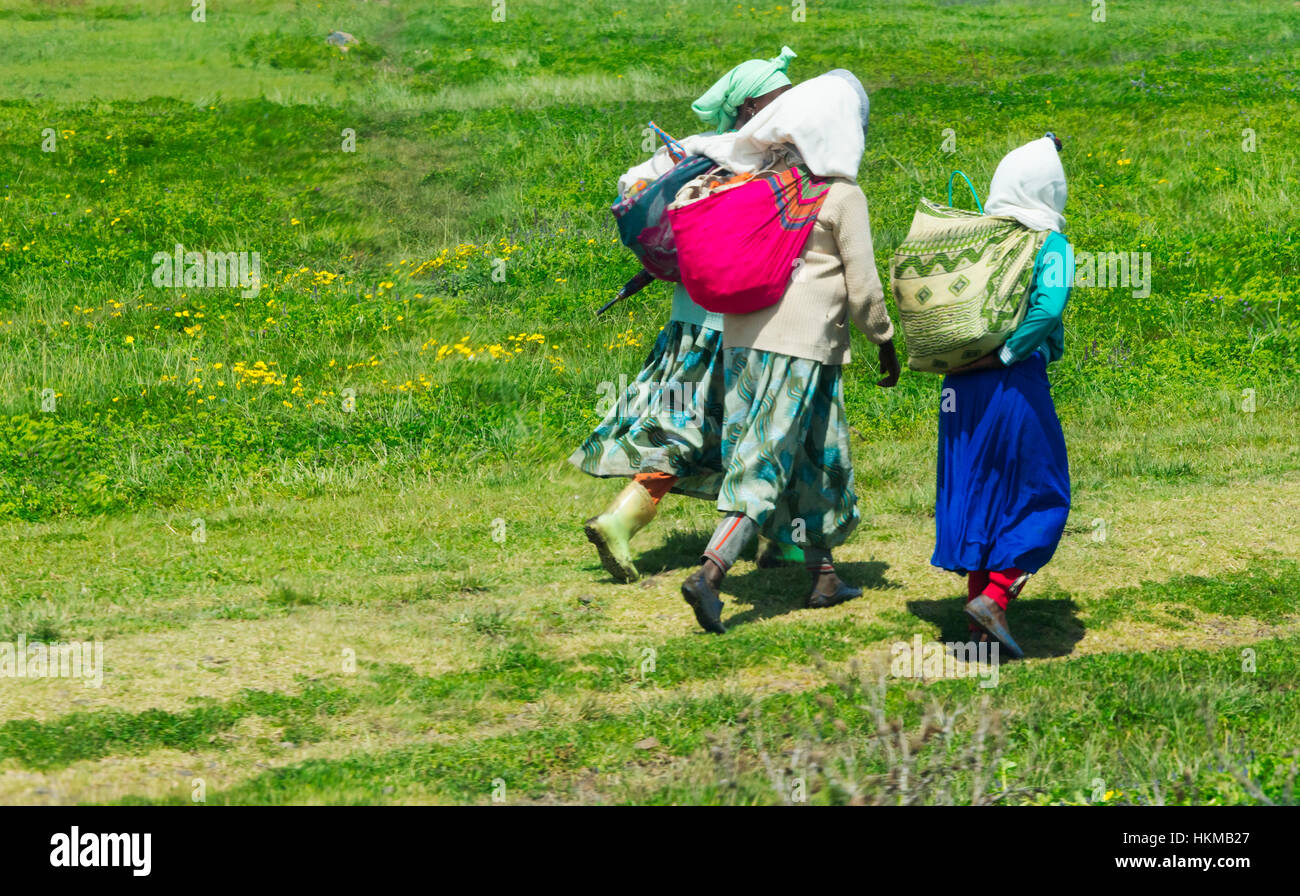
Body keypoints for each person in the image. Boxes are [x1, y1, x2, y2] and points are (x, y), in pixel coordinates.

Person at [674, 70, 901, 634]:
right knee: (765, 457)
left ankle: (823, 575)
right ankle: (711, 572)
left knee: (819, 456)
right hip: (800, 349)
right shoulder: (841, 196)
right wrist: (885, 341)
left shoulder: (757, 185)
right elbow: (865, 288)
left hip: (743, 342)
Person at [570, 48, 799, 583]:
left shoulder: (696, 153)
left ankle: (626, 519)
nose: (789, 109)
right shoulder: (751, 155)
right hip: (744, 321)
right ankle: (784, 540)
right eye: (778, 98)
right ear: (748, 107)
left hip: (690, 317)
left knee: (686, 425)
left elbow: (630, 187)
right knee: (774, 423)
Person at [932, 134, 1074, 659]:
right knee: (1042, 492)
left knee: (979, 492)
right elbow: (1049, 308)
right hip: (1012, 383)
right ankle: (994, 596)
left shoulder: (979, 239)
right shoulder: (1050, 246)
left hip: (958, 387)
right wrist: (1010, 355)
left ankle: (978, 634)